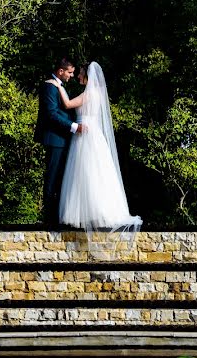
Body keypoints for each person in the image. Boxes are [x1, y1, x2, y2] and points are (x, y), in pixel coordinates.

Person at [46, 61, 142, 235]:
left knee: (86, 173)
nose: (78, 77)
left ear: (88, 76)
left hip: (85, 135)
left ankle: (91, 213)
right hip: (93, 134)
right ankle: (96, 212)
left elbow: (67, 105)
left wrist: (57, 85)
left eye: (81, 73)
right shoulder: (98, 93)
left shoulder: (89, 93)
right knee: (96, 172)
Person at [34, 57, 88, 228]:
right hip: (55, 139)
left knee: (61, 179)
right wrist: (73, 126)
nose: (72, 76)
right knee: (52, 178)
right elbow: (51, 114)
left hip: (65, 138)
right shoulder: (49, 86)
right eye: (70, 72)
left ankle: (58, 217)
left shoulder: (59, 86)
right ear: (61, 71)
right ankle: (49, 220)